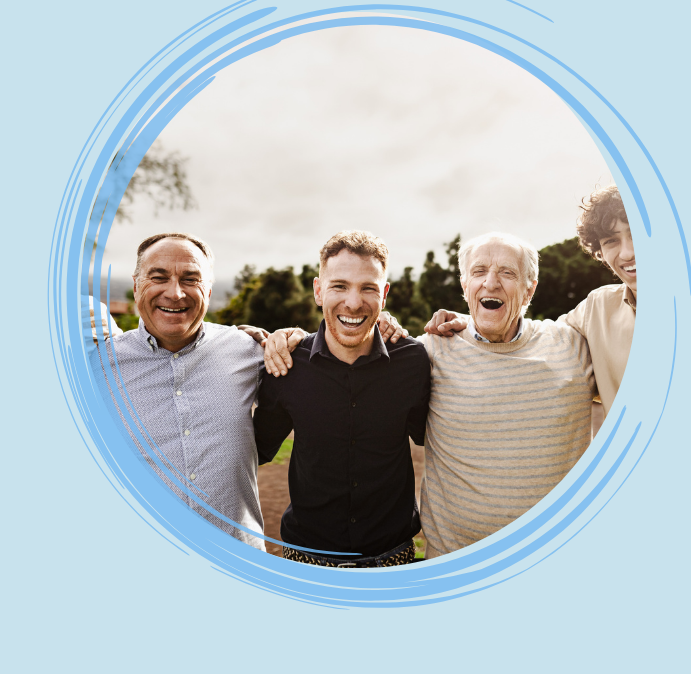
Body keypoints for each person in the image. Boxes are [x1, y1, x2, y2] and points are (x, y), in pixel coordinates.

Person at [95, 232, 401, 551]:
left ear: (208, 290)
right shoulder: (95, 369)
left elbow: (329, 346)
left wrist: (378, 322)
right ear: (135, 285)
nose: (175, 293)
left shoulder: (248, 349)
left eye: (190, 279)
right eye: (158, 277)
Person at [252, 231, 430, 567]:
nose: (353, 302)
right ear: (318, 291)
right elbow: (254, 449)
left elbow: (432, 436)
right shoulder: (286, 365)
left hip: (393, 559)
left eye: (368, 288)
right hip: (306, 559)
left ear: (384, 294)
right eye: (339, 286)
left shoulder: (413, 361)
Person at [416, 232, 595, 557]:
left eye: (507, 273)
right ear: (464, 284)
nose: (491, 283)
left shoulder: (572, 346)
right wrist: (295, 337)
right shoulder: (431, 349)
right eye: (479, 271)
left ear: (530, 288)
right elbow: (360, 353)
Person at [427, 185, 636, 434]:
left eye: (637, 233)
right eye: (611, 240)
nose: (627, 252)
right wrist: (475, 321)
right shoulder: (598, 309)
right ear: (600, 251)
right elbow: (532, 335)